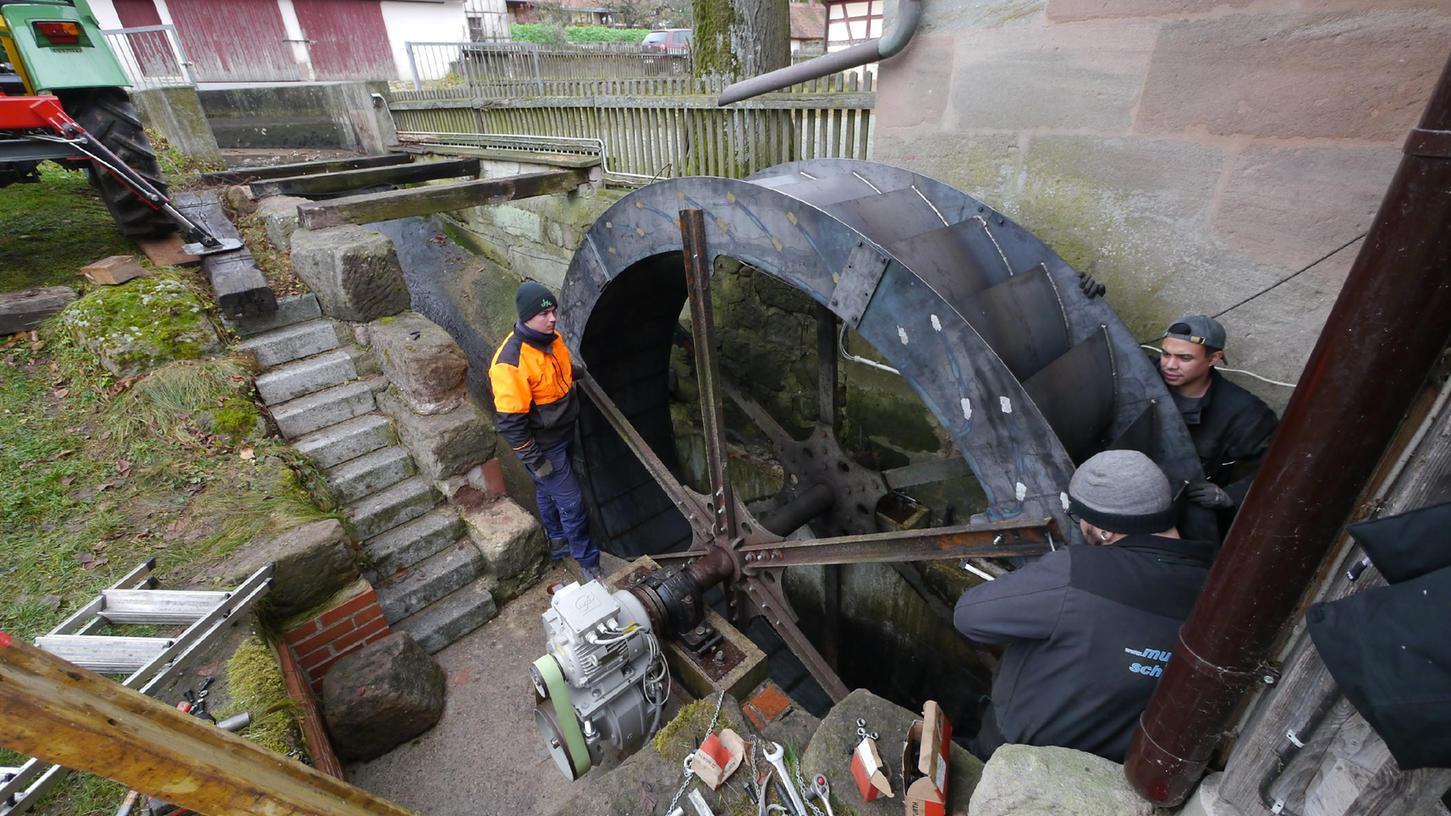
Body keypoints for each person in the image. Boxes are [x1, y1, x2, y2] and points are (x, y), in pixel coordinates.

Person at [954, 450, 1213, 762]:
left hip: (1016, 750)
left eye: (1079, 517)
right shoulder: (1214, 588)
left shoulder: (1077, 572)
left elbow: (969, 616)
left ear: (1107, 530)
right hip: (1110, 765)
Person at [489, 281, 602, 581]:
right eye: (544, 314)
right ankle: (587, 561)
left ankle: (556, 540)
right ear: (526, 317)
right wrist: (535, 460)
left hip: (564, 432)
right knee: (573, 503)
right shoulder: (509, 363)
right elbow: (510, 423)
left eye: (553, 311)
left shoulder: (552, 339)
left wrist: (578, 372)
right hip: (543, 445)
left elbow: (557, 371)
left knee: (544, 490)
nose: (552, 318)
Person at [1158, 315, 1278, 532]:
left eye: (1184, 358)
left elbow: (1278, 466)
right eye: (1166, 354)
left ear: (1214, 358)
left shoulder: (1244, 412)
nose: (1170, 365)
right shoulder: (1146, 377)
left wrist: (1231, 496)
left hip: (1185, 511)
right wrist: (1084, 291)